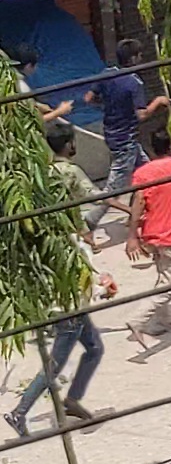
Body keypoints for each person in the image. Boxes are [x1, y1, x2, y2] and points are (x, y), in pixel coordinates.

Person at [7, 127, 111, 433]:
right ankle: (20, 411)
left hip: (72, 303)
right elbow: (77, 270)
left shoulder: (56, 229)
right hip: (68, 308)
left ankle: (73, 401)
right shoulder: (67, 238)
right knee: (55, 364)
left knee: (94, 349)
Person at [82, 39, 169, 232]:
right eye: (139, 55)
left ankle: (138, 214)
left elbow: (88, 98)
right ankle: (90, 222)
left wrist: (108, 105)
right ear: (133, 58)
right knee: (113, 190)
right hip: (125, 140)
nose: (141, 58)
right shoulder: (134, 82)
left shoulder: (107, 74)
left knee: (147, 174)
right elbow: (141, 114)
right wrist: (158, 102)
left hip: (114, 134)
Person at [123, 130, 171, 348]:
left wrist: (132, 236)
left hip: (151, 233)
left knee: (163, 276)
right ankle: (138, 319)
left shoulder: (143, 173)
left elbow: (138, 203)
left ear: (151, 149)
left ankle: (163, 321)